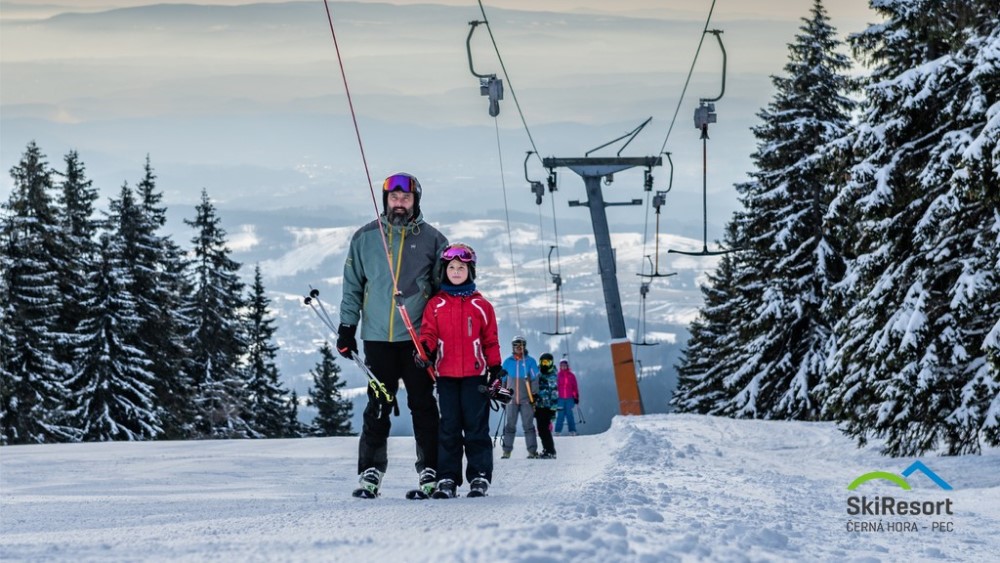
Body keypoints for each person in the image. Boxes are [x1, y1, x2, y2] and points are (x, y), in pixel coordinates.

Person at [337, 172, 449, 498]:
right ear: (386, 199)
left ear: (416, 201)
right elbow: (353, 288)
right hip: (376, 338)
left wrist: (441, 336)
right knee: (379, 405)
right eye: (394, 198)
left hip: (417, 339)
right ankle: (370, 471)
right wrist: (347, 327)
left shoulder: (433, 240)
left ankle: (430, 467)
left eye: (406, 198)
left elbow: (443, 294)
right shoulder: (366, 238)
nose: (399, 203)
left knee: (423, 405)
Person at [416, 243, 504, 498]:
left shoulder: (482, 306)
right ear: (444, 271)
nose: (456, 271)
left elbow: (490, 339)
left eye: (461, 268)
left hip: (475, 376)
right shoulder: (436, 304)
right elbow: (429, 333)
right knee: (449, 428)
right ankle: (447, 478)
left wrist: (496, 367)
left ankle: (479, 476)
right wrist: (425, 350)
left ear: (470, 271)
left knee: (476, 428)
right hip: (446, 377)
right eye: (451, 267)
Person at [500, 335, 540, 458]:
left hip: (526, 399)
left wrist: (534, 394)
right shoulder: (507, 362)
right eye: (516, 345)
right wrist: (502, 396)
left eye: (521, 345)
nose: (518, 348)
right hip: (511, 399)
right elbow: (503, 380)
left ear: (524, 347)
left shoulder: (530, 362)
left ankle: (532, 451)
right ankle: (506, 451)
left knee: (528, 425)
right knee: (510, 425)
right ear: (513, 347)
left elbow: (535, 379)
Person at [533, 353, 559, 459]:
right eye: (543, 362)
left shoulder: (552, 375)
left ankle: (550, 451)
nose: (545, 365)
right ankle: (547, 449)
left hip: (547, 407)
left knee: (544, 429)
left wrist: (553, 410)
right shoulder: (538, 372)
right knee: (541, 428)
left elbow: (554, 394)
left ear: (551, 363)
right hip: (538, 405)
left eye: (547, 362)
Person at [555, 358, 580, 436]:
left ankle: (572, 430)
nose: (563, 367)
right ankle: (557, 431)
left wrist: (576, 397)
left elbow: (574, 386)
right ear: (560, 366)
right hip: (560, 398)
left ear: (567, 366)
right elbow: (555, 386)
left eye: (565, 365)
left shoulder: (571, 376)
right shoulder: (558, 375)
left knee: (570, 415)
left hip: (569, 398)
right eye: (562, 366)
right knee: (560, 415)